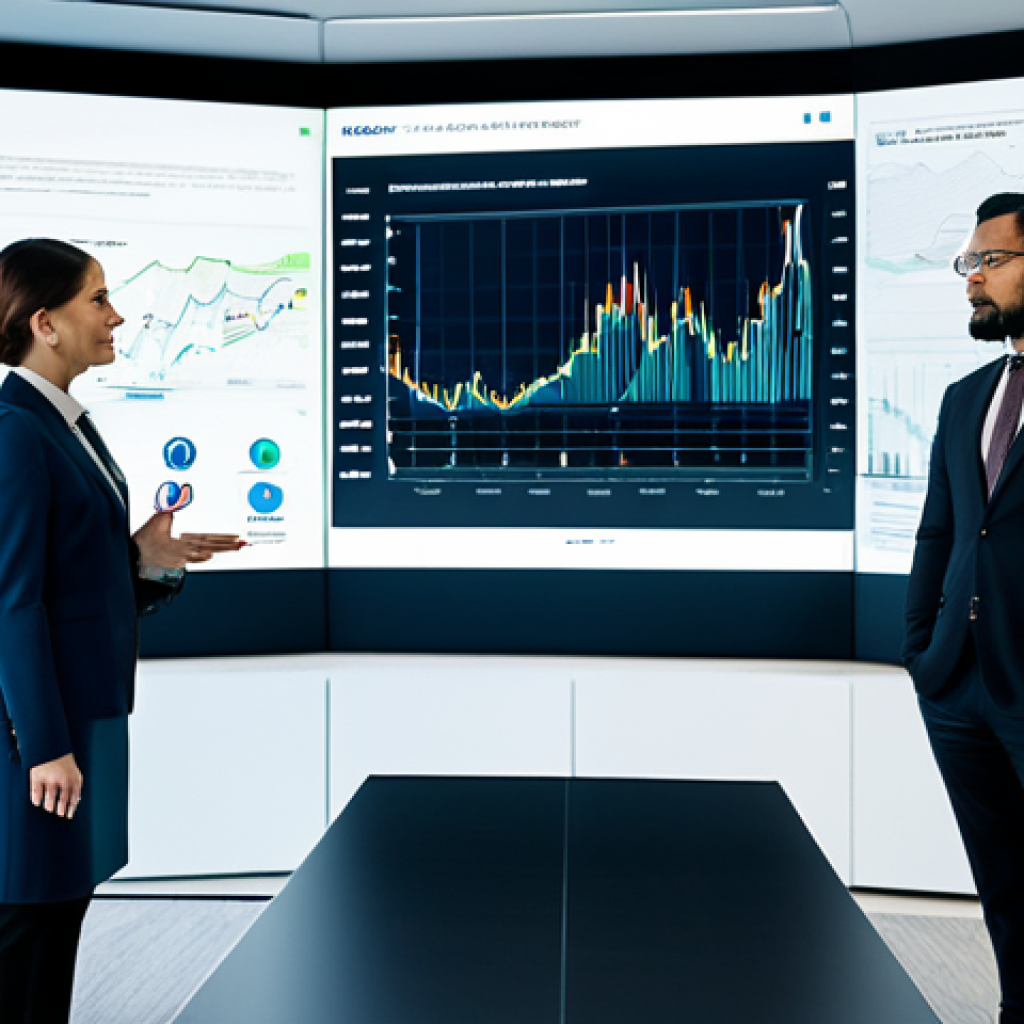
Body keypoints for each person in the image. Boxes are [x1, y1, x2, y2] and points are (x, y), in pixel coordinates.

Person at [0, 238, 243, 1023]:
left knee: (59, 911)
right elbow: (12, 603)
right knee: (30, 921)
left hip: (84, 716)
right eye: (97, 299)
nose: (117, 316)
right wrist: (44, 745)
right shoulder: (16, 431)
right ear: (45, 323)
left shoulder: (66, 423)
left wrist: (143, 559)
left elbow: (69, 579)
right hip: (42, 737)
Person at [904, 192, 1024, 1024]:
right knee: (1004, 884)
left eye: (990, 261)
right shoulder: (965, 395)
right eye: (968, 263)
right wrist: (920, 647)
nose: (972, 279)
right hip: (958, 683)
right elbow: (940, 531)